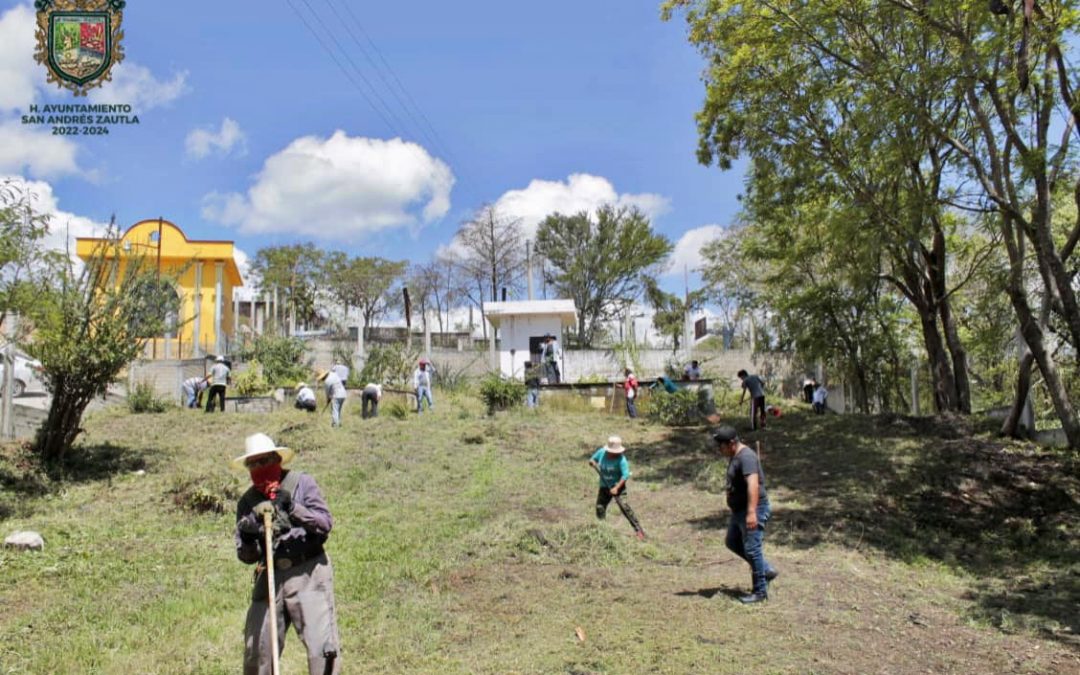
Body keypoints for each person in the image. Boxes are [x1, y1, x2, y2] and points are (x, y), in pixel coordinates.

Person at [232, 432, 341, 674]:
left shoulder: (301, 483)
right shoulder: (247, 501)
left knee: (322, 649)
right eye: (254, 464)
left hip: (308, 572)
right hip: (269, 573)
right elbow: (245, 555)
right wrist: (250, 538)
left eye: (265, 461)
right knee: (257, 651)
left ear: (276, 459)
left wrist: (293, 507)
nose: (260, 468)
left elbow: (324, 524)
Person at [712, 425, 778, 604]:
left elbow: (753, 485)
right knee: (732, 542)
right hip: (739, 510)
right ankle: (766, 570)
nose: (719, 449)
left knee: (752, 549)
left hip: (752, 509)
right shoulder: (735, 456)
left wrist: (751, 512)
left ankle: (760, 592)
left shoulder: (746, 457)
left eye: (721, 445)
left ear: (732, 443)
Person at [588, 435, 645, 540]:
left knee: (624, 507)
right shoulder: (601, 452)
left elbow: (625, 475)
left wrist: (617, 488)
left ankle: (639, 530)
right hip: (604, 486)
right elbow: (592, 459)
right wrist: (592, 462)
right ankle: (602, 528)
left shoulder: (621, 459)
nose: (616, 453)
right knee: (600, 507)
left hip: (618, 486)